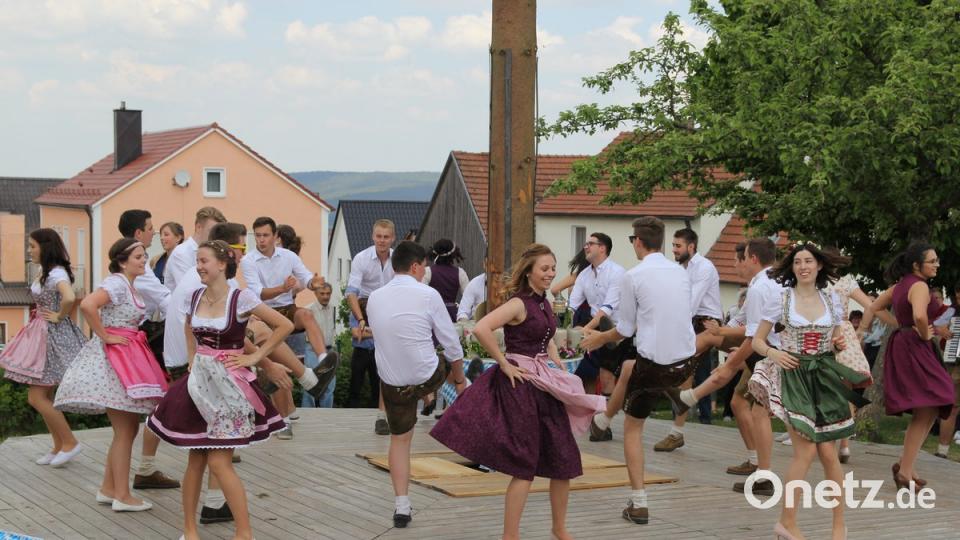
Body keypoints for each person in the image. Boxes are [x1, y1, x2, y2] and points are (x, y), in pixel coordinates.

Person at [432, 243, 605, 540]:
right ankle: (510, 536)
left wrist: (555, 357)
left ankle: (559, 529)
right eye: (544, 269)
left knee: (564, 459)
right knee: (524, 465)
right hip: (521, 387)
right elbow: (482, 328)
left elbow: (547, 336)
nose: (551, 273)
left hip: (544, 385)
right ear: (528, 272)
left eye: (553, 268)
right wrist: (504, 363)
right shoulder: (518, 303)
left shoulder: (544, 303)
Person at [147, 240, 291, 540]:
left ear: (222, 264)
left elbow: (284, 325)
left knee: (218, 461)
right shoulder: (195, 295)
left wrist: (254, 357)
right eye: (197, 261)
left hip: (228, 387)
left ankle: (244, 533)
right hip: (198, 384)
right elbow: (189, 327)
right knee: (195, 459)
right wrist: (192, 357)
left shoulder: (241, 298)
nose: (198, 266)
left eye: (204, 261)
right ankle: (189, 531)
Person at [580, 217, 700, 525]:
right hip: (686, 362)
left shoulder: (632, 276)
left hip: (656, 366)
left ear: (637, 241)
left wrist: (597, 339)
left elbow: (624, 329)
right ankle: (605, 419)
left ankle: (639, 502)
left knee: (633, 429)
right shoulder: (680, 272)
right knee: (628, 366)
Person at [747, 242, 868, 540]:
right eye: (798, 262)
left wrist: (837, 344)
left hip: (823, 376)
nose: (803, 266)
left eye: (808, 261)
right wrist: (774, 353)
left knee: (828, 452)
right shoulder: (780, 299)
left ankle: (838, 526)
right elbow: (757, 341)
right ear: (792, 267)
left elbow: (836, 340)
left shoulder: (832, 300)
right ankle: (788, 523)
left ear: (819, 265)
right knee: (806, 450)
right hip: (793, 376)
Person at [55, 238, 169, 511]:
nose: (144, 260)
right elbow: (87, 305)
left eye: (144, 256)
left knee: (127, 429)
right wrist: (105, 336)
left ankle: (108, 489)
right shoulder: (117, 283)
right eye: (138, 257)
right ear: (122, 261)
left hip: (127, 355)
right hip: (117, 360)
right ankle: (122, 495)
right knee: (125, 430)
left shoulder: (128, 285)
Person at [666, 237, 782, 497]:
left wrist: (731, 362)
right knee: (747, 406)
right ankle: (760, 470)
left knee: (765, 415)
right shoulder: (769, 282)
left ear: (752, 259)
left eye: (741, 259)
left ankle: (676, 375)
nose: (736, 265)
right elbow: (747, 325)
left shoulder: (761, 286)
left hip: (772, 355)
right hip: (773, 353)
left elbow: (754, 336)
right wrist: (725, 337)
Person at [366, 241, 467, 528]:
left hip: (393, 383)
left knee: (400, 441)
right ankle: (439, 392)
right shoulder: (428, 294)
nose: (425, 271)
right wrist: (460, 381)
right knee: (447, 359)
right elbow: (451, 343)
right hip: (427, 375)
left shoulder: (374, 298)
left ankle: (401, 505)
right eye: (423, 266)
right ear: (414, 266)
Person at [867, 242, 954, 491]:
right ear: (917, 265)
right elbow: (919, 315)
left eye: (937, 260)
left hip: (905, 344)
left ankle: (906, 465)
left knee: (931, 405)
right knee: (932, 403)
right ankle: (905, 472)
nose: (937, 264)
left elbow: (874, 307)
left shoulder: (900, 285)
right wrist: (924, 333)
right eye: (932, 261)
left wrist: (899, 325)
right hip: (914, 347)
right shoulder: (919, 286)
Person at [0, 229, 86, 466]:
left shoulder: (56, 273)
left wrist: (59, 315)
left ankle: (70, 442)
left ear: (45, 247)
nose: (29, 251)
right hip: (43, 335)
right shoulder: (47, 271)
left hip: (51, 337)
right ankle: (59, 446)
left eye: (32, 246)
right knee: (45, 395)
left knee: (36, 397)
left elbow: (69, 297)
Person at [112, 210, 181, 490]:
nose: (155, 233)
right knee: (148, 408)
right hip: (139, 342)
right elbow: (165, 299)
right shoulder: (131, 270)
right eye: (151, 228)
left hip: (137, 340)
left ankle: (129, 478)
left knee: (131, 422)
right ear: (139, 233)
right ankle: (134, 478)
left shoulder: (137, 265)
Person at [240, 216, 337, 400]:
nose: (261, 240)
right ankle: (273, 390)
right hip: (264, 313)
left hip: (287, 308)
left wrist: (313, 283)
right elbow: (258, 293)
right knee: (276, 368)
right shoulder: (248, 260)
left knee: (307, 314)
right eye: (258, 235)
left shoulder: (288, 256)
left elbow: (306, 277)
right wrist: (282, 289)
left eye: (265, 235)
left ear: (275, 236)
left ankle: (323, 362)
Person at [651, 228, 723, 451]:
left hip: (706, 322)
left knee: (683, 372)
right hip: (689, 321)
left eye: (678, 246)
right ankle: (678, 429)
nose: (674, 250)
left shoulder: (704, 267)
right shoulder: (680, 268)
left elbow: (691, 303)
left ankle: (678, 432)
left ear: (691, 247)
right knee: (676, 372)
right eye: (673, 245)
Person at [345, 219, 396, 434]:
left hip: (389, 308)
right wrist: (360, 319)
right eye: (378, 236)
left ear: (392, 238)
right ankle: (353, 416)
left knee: (384, 364)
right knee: (361, 362)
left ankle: (382, 413)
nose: (382, 241)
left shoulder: (397, 259)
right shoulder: (361, 258)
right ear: (372, 236)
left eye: (386, 237)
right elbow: (351, 292)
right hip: (364, 307)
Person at [568, 232, 625, 401]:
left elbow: (606, 310)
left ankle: (607, 414)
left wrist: (583, 330)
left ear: (602, 248)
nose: (585, 247)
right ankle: (591, 412)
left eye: (590, 244)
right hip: (593, 326)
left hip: (615, 330)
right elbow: (572, 306)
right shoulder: (584, 274)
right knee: (586, 373)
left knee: (607, 377)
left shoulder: (617, 272)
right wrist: (567, 328)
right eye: (586, 244)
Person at [164, 207, 226, 292]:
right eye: (212, 231)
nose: (215, 237)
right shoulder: (181, 253)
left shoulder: (211, 252)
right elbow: (191, 291)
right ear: (198, 227)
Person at [303, 281, 337, 408]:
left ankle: (327, 414)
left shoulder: (333, 308)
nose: (325, 296)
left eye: (328, 293)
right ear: (316, 294)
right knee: (310, 384)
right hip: (312, 350)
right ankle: (307, 414)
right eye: (322, 293)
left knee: (330, 386)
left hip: (329, 350)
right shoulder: (308, 310)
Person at [423, 239, 470, 322]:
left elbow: (422, 296)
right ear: (454, 254)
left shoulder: (427, 271)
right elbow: (468, 297)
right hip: (451, 315)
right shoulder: (460, 273)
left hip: (432, 315)